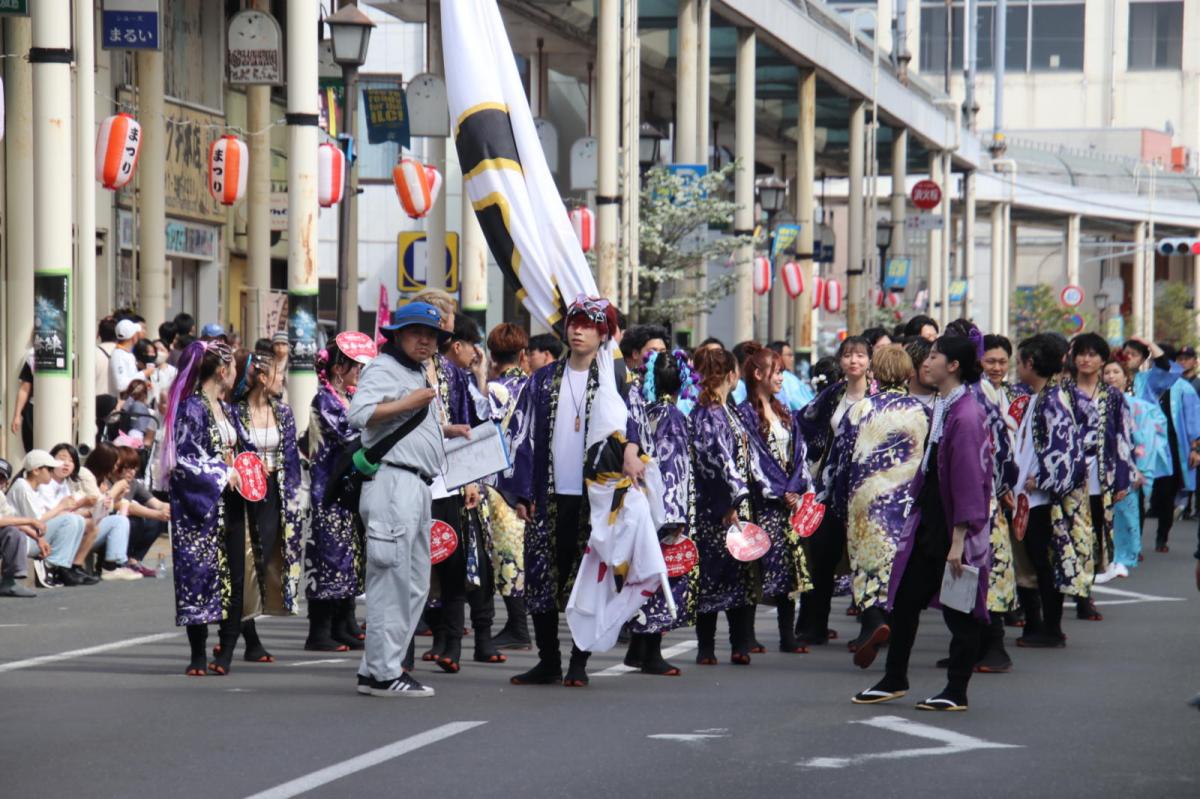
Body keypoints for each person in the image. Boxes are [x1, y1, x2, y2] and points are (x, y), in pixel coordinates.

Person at [505, 295, 644, 687]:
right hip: (548, 495)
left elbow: (635, 426)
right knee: (542, 579)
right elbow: (520, 436)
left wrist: (632, 451)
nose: (578, 330)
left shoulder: (615, 380)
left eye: (589, 325)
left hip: (594, 497)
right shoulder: (543, 379)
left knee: (588, 580)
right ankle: (548, 660)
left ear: (604, 334)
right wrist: (521, 492)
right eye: (574, 323)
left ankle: (578, 662)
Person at [852, 335, 993, 711]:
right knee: (906, 599)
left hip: (951, 526)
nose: (924, 362)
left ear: (953, 366)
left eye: (933, 356)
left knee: (960, 608)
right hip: (933, 520)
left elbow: (968, 478)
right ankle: (894, 677)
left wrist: (959, 538)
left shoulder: (965, 414)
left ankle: (956, 689)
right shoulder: (948, 405)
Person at [348, 301, 469, 698]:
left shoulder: (414, 370)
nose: (426, 340)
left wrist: (445, 430)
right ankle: (384, 672)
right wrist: (410, 403)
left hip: (415, 485)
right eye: (417, 332)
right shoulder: (384, 368)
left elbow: (406, 424)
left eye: (432, 334)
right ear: (397, 334)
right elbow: (360, 414)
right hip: (393, 483)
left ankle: (380, 667)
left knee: (415, 583)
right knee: (392, 580)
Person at [423, 311, 507, 672]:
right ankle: (428, 643)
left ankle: (455, 644)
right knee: (423, 564)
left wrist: (471, 479)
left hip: (455, 480)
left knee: (461, 560)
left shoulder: (454, 376)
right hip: (418, 479)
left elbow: (470, 425)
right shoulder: (401, 371)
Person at [838, 346, 929, 669]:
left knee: (866, 563)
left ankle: (872, 621)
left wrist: (838, 501)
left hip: (866, 500)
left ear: (873, 372)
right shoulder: (922, 412)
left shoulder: (861, 409)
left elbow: (841, 460)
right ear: (908, 374)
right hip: (907, 501)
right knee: (900, 567)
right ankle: (890, 625)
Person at [159, 340, 245, 676]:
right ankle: (197, 652)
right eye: (234, 368)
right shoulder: (192, 408)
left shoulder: (227, 409)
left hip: (232, 504)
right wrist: (224, 472)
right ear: (223, 371)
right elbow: (184, 458)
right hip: (202, 507)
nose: (237, 373)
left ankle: (226, 650)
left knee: (234, 577)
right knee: (198, 576)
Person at [622, 349, 699, 676]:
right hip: (664, 509)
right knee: (662, 577)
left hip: (641, 504)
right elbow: (674, 469)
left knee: (642, 576)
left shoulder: (646, 413)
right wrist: (675, 516)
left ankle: (638, 649)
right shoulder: (673, 417)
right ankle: (651, 651)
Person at [228, 345, 306, 665]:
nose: (282, 381)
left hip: (274, 491)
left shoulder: (282, 412)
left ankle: (245, 629)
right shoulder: (234, 411)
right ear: (261, 376)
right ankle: (246, 636)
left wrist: (295, 497)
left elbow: (290, 457)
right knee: (244, 562)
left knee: (267, 559)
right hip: (242, 494)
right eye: (278, 374)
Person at [735, 343, 812, 656]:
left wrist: (798, 488)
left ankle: (787, 634)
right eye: (776, 371)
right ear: (758, 374)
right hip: (763, 503)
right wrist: (781, 492)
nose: (781, 377)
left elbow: (800, 453)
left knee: (791, 568)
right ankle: (748, 635)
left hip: (789, 502)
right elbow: (753, 460)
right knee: (759, 565)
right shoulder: (745, 414)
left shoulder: (785, 411)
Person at [1012, 333, 1088, 649]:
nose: (1017, 367)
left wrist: (1042, 478)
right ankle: (1037, 625)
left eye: (1018, 361)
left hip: (1039, 500)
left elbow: (1067, 448)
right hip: (1028, 498)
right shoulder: (1040, 397)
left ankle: (1049, 628)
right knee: (1032, 565)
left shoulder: (1052, 400)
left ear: (1030, 363)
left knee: (1043, 564)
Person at [795, 335, 872, 646]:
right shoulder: (833, 395)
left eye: (860, 356)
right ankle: (814, 624)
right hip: (828, 489)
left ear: (870, 361)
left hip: (866, 490)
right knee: (822, 558)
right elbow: (804, 422)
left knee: (866, 560)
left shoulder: (880, 396)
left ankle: (872, 628)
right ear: (840, 361)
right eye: (848, 355)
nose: (854, 361)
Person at [306, 333, 377, 652]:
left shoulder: (347, 397)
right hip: (328, 491)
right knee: (328, 558)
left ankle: (342, 623)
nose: (359, 373)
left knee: (349, 557)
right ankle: (320, 630)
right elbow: (350, 434)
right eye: (355, 367)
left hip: (347, 491)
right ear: (339, 368)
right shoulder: (325, 399)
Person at [689, 346, 757, 665]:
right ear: (731, 375)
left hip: (733, 503)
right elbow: (713, 462)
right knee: (714, 575)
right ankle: (709, 647)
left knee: (738, 573)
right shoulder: (708, 413)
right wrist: (730, 500)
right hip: (716, 507)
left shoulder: (723, 411)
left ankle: (739, 643)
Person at [1065, 335, 1132, 610]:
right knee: (1070, 531)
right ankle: (1076, 589)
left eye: (1093, 354)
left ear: (1103, 360)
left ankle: (1085, 592)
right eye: (1081, 353)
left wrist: (1123, 478)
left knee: (1095, 534)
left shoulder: (1113, 396)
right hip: (1070, 475)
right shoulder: (1064, 392)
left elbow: (1123, 437)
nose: (1086, 359)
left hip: (1101, 473)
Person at [485, 323, 533, 650]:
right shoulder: (536, 387)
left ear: (492, 356)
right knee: (519, 554)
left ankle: (517, 626)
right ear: (522, 355)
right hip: (530, 482)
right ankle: (518, 625)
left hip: (497, 480)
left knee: (503, 554)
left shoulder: (492, 390)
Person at [1135, 339, 1200, 553]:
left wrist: (1195, 447)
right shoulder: (1141, 380)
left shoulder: (1184, 388)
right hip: (1146, 441)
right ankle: (1134, 541)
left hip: (1173, 445)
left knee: (1167, 493)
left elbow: (1193, 419)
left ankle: (1162, 536)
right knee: (1140, 492)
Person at [1103, 359, 1168, 575]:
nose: (1111, 376)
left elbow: (1145, 440)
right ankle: (1104, 558)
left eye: (1116, 372)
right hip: (1102, 467)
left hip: (1128, 466)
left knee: (1126, 514)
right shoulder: (1096, 402)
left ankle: (1122, 557)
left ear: (1126, 377)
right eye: (1107, 372)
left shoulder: (1138, 406)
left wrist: (1138, 468)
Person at [6, 450, 91, 586]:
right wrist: (61, 507)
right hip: (25, 539)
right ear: (36, 470)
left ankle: (64, 567)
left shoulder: (36, 488)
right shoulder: (22, 486)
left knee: (78, 520)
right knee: (70, 520)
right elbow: (37, 521)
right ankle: (53, 566)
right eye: (50, 469)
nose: (52, 472)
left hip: (32, 537)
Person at [113, 444, 168, 576]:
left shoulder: (133, 484)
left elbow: (158, 504)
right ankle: (120, 561)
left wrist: (175, 509)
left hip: (123, 528)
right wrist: (158, 514)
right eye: (127, 468)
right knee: (135, 520)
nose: (132, 472)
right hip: (109, 529)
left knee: (157, 522)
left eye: (134, 468)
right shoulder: (109, 482)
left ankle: (134, 560)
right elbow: (129, 507)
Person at [110, 319, 154, 397]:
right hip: (123, 404)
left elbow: (130, 376)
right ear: (133, 337)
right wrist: (144, 373)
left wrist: (142, 383)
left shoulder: (127, 354)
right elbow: (120, 385)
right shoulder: (118, 355)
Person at [768, 340, 815, 410]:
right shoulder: (787, 378)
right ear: (777, 356)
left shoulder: (789, 377)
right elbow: (802, 405)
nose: (792, 359)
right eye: (789, 355)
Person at [9, 348, 34, 454]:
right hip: (34, 409)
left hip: (63, 411)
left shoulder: (70, 356)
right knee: (31, 451)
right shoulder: (33, 356)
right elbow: (25, 388)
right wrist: (17, 416)